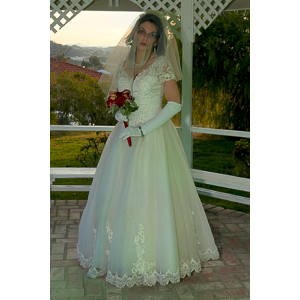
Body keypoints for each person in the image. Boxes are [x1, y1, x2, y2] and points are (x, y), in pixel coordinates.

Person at [77, 10, 219, 288]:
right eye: (142, 32)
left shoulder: (162, 65)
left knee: (151, 197)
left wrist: (143, 128)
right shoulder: (123, 67)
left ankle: (157, 258)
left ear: (157, 41)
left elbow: (175, 104)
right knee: (114, 196)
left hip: (152, 138)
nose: (146, 38)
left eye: (152, 35)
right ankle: (110, 255)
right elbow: (115, 97)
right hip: (123, 138)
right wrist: (120, 114)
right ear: (134, 34)